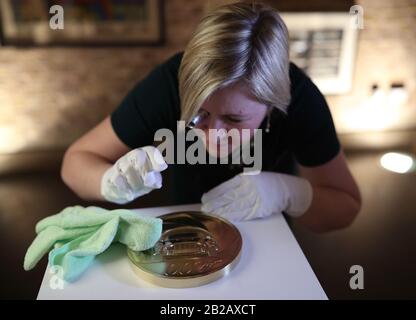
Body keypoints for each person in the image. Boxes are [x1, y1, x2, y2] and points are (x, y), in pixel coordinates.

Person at [61, 2, 361, 233]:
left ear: (272, 105)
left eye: (234, 119)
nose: (214, 132)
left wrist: (288, 194)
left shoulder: (301, 99)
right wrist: (109, 182)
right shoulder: (168, 84)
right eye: (199, 113)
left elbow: (346, 208)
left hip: (268, 231)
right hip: (183, 229)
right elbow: (75, 161)